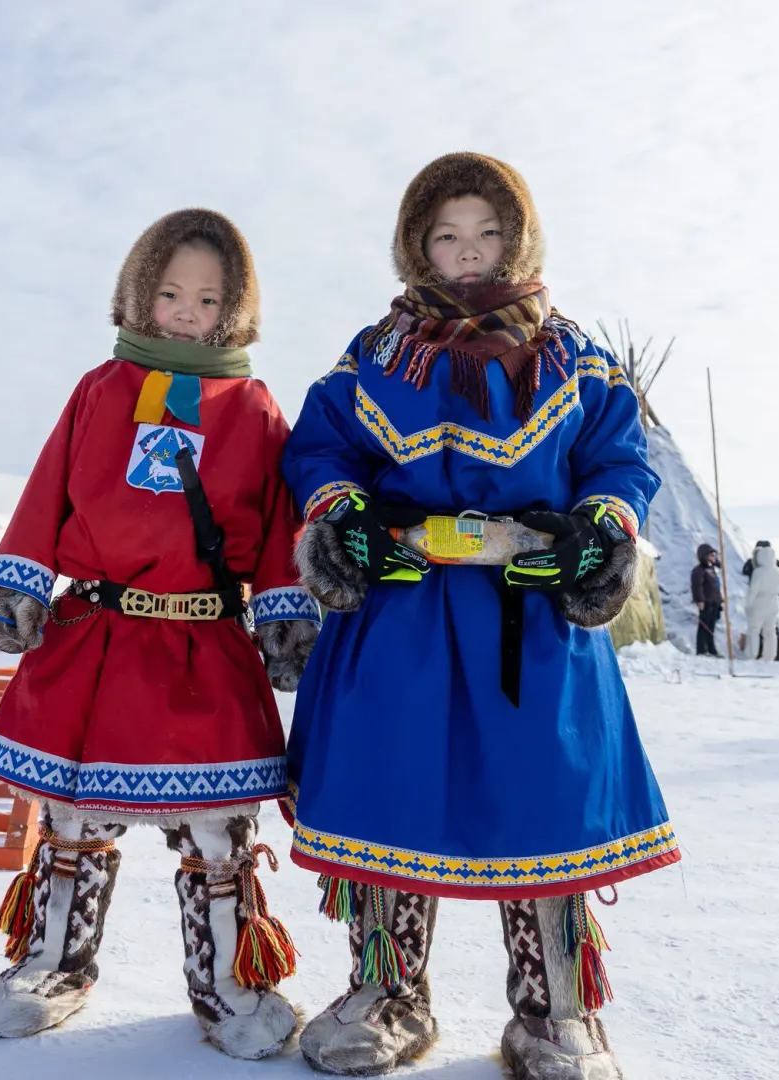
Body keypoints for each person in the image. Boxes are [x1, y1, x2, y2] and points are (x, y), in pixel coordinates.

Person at [282, 153, 679, 1079]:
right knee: (390, 789)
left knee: (543, 799)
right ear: (416, 245)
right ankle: (389, 993)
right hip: (401, 607)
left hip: (531, 611)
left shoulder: (576, 354)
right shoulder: (373, 353)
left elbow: (619, 459)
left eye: (488, 234)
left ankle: (554, 1009)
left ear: (520, 240)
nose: (467, 255)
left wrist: (602, 530)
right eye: (446, 236)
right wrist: (341, 518)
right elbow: (320, 448)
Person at [0, 209, 321, 1060]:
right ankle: (53, 963)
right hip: (99, 635)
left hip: (204, 643)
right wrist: (18, 582)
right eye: (169, 293)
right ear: (138, 293)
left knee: (217, 833)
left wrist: (284, 613)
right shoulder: (99, 388)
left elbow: (278, 522)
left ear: (234, 307)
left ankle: (230, 985)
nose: (187, 312)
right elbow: (48, 488)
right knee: (72, 819)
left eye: (206, 298)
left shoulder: (254, 404)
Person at [740, 540, 779, 661]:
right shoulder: (778, 571)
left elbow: (754, 589)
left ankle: (752, 653)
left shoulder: (759, 572)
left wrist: (748, 604)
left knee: (754, 629)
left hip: (760, 602)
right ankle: (770, 655)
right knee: (770, 631)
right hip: (774, 602)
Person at [690, 542, 724, 656]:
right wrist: (699, 600)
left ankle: (711, 649)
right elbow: (697, 586)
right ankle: (702, 649)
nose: (714, 557)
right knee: (704, 626)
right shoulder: (699, 570)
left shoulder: (712, 569)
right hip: (706, 602)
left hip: (714, 602)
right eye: (711, 555)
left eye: (715, 555)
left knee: (711, 627)